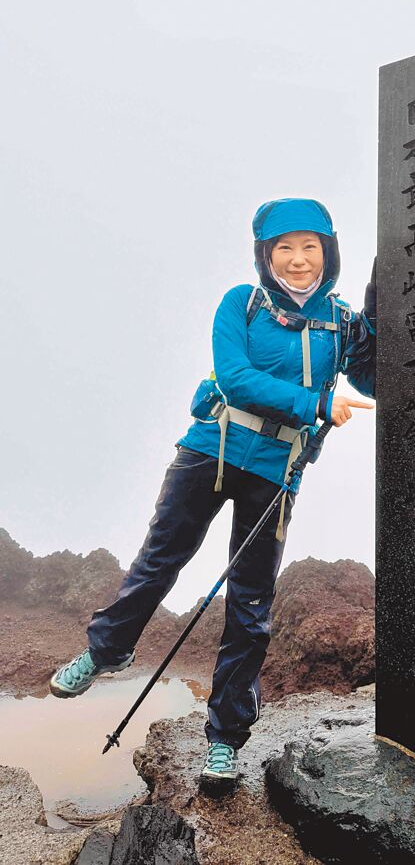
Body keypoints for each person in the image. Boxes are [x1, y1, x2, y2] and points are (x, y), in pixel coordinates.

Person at [49, 197, 376, 792]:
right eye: (284, 248)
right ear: (266, 254)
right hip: (209, 451)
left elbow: (373, 378)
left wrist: (380, 311)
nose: (298, 259)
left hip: (277, 471)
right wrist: (315, 404)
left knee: (250, 607)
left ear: (328, 251)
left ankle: (224, 742)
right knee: (159, 562)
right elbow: (235, 378)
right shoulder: (241, 303)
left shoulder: (342, 320)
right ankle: (105, 652)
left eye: (309, 247)